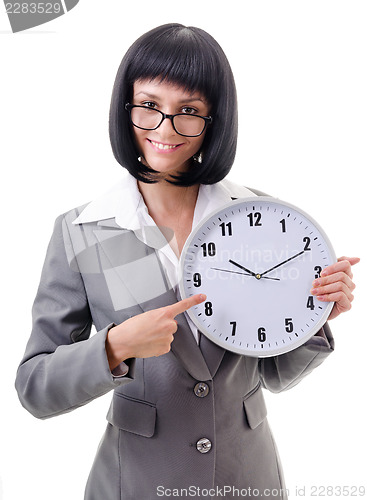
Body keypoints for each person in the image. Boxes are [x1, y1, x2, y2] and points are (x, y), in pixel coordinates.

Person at [15, 23, 359, 500]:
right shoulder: (83, 230)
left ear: (214, 119)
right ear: (125, 107)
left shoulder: (262, 220)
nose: (165, 129)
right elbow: (34, 387)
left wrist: (317, 313)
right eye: (150, 106)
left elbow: (277, 374)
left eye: (189, 112)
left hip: (247, 480)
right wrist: (114, 347)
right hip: (133, 482)